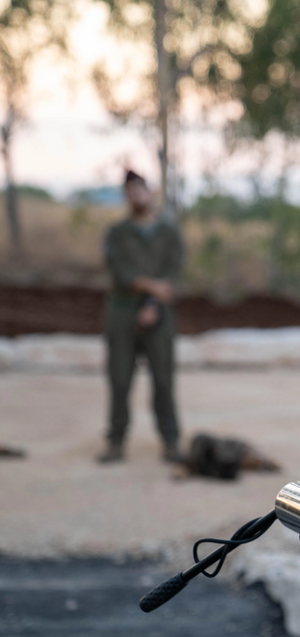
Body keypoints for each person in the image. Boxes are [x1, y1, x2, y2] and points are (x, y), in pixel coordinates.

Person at [98, 170, 184, 464]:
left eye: (141, 190)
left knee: (163, 381)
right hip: (122, 313)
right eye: (130, 192)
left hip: (159, 314)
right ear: (126, 196)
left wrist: (152, 302)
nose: (137, 196)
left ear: (150, 192)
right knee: (119, 379)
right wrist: (152, 287)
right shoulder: (117, 233)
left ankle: (171, 442)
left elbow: (174, 270)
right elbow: (119, 272)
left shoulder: (168, 232)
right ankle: (116, 442)